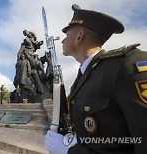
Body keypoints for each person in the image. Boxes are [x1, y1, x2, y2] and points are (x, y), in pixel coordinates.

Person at [45, 4, 147, 154]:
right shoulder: (82, 77)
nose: (62, 41)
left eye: (66, 35)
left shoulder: (126, 65)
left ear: (79, 36)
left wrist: (70, 152)